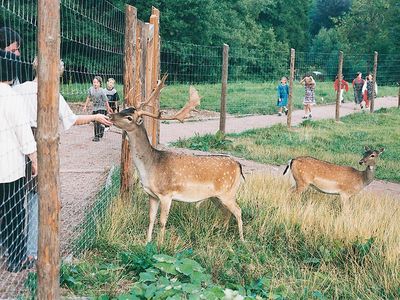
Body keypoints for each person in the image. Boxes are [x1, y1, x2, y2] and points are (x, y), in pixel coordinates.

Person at [13, 57, 113, 265]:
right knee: (35, 199)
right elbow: (71, 120)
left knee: (13, 199)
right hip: (40, 147)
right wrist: (94, 118)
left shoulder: (18, 90)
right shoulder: (52, 94)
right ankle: (32, 251)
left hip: (15, 146)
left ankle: (13, 248)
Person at [0, 50, 37, 273]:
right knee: (14, 212)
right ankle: (16, 258)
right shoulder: (12, 97)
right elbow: (24, 133)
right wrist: (34, 159)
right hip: (9, 167)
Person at [83, 76, 113, 141]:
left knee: (97, 121)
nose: (95, 84)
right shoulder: (90, 89)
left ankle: (96, 136)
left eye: (97, 82)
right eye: (94, 82)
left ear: (100, 83)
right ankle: (101, 129)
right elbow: (88, 97)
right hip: (95, 108)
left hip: (102, 108)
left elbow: (106, 101)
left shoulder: (102, 91)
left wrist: (108, 109)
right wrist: (85, 106)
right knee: (95, 121)